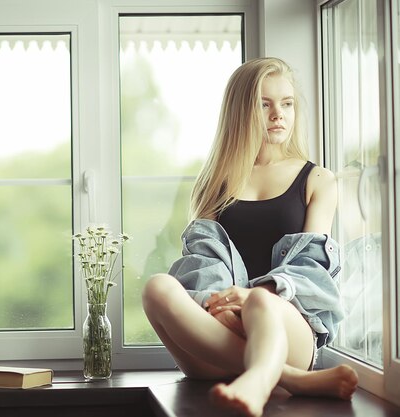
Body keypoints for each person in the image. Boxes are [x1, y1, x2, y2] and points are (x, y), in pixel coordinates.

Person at [142, 57, 358, 417]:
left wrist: (254, 296)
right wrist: (221, 306)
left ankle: (271, 371)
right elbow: (201, 263)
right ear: (241, 111)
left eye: (287, 104)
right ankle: (288, 378)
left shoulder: (318, 179)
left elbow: (311, 270)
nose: (279, 115)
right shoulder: (215, 183)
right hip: (215, 340)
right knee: (156, 288)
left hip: (289, 331)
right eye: (265, 104)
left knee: (260, 302)